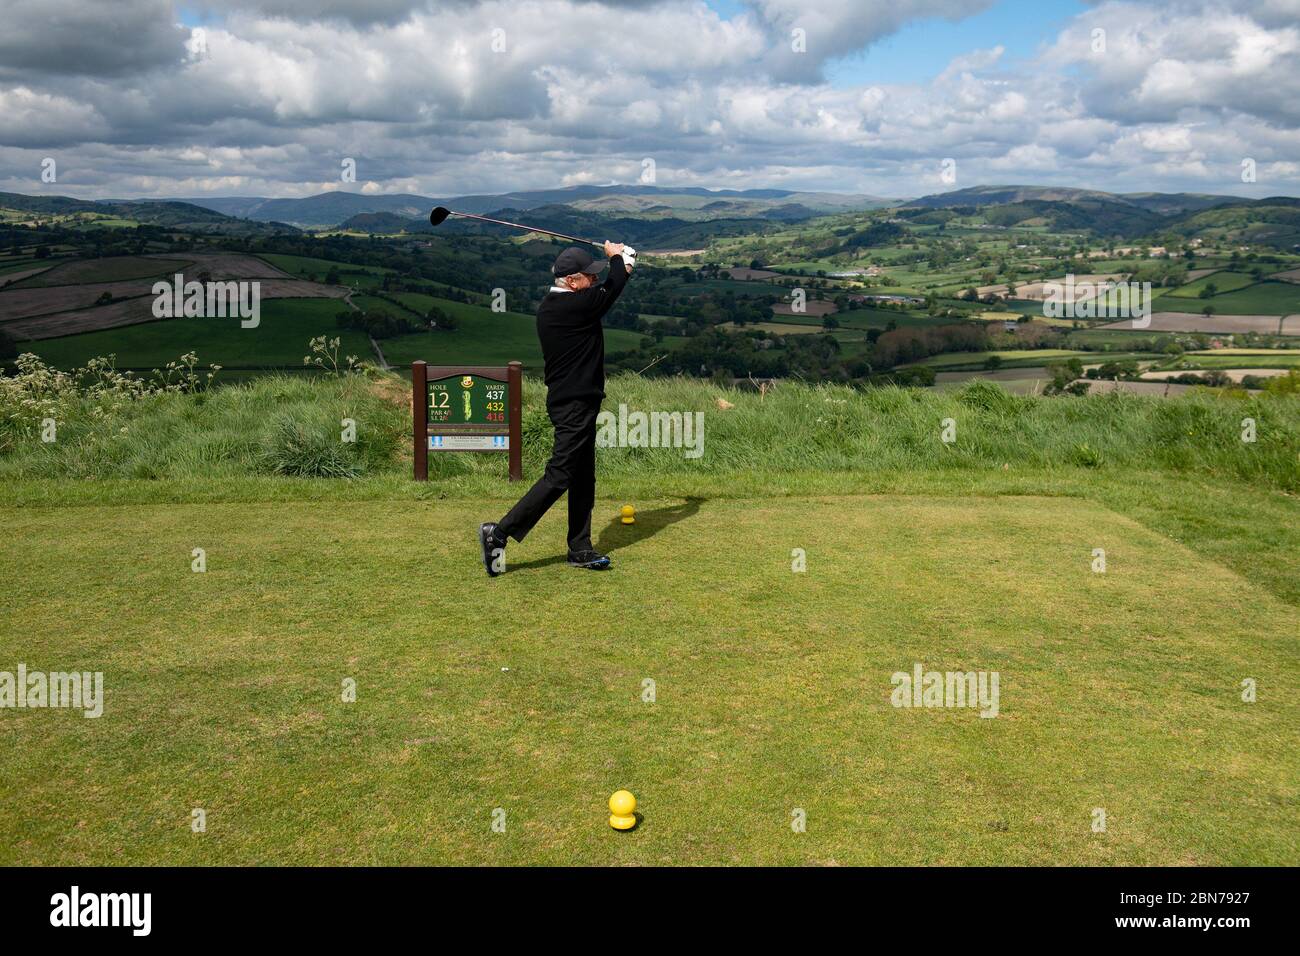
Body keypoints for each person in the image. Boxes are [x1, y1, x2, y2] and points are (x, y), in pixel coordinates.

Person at [479, 240, 633, 575]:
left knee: (583, 477)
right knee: (561, 474)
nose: (593, 280)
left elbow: (613, 282)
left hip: (577, 401)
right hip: (573, 405)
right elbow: (615, 283)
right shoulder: (572, 307)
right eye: (589, 277)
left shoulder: (558, 304)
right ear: (573, 281)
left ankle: (580, 548)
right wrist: (619, 257)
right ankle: (499, 533)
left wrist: (621, 260)